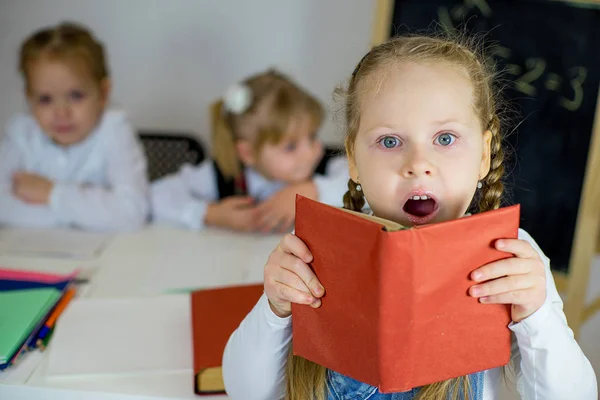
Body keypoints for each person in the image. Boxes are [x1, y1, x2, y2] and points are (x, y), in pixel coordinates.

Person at [221, 35, 597, 399]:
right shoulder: (315, 250)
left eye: (445, 139)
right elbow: (246, 391)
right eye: (390, 141)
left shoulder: (513, 257)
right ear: (353, 159)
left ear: (484, 155)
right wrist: (274, 308)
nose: (418, 165)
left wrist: (537, 317)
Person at [151, 69, 349, 232]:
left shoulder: (327, 166)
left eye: (312, 136)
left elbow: (366, 186)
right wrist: (209, 214)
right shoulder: (224, 175)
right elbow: (156, 195)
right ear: (248, 153)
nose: (311, 151)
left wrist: (313, 190)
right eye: (290, 146)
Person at [0, 22, 149, 230]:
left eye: (75, 96)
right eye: (45, 99)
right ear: (29, 99)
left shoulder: (114, 130)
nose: (61, 113)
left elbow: (132, 213)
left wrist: (52, 193)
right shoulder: (21, 132)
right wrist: (87, 211)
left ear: (103, 93)